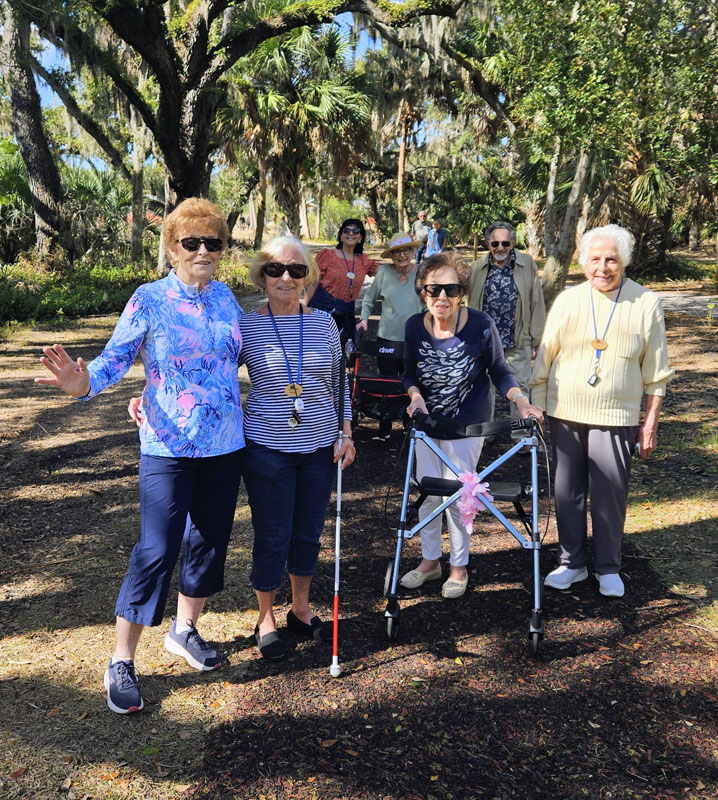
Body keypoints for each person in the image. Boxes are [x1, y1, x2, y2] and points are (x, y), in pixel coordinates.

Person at [35, 198, 245, 714]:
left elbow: (244, 361)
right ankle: (122, 658)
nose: (202, 250)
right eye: (190, 242)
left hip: (226, 446)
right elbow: (114, 359)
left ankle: (184, 630)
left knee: (209, 541)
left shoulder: (226, 300)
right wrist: (81, 384)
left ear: (221, 250)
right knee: (156, 549)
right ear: (173, 248)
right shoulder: (149, 299)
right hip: (167, 447)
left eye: (211, 243)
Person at [530, 224, 673, 598]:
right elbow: (545, 357)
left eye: (611, 259)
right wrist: (539, 407)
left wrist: (650, 424)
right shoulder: (568, 300)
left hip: (616, 417)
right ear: (583, 261)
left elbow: (656, 373)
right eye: (595, 258)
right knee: (566, 492)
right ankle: (571, 563)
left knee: (609, 493)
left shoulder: (645, 302)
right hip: (564, 412)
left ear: (623, 261)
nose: (603, 267)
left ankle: (609, 567)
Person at [401, 252, 544, 599]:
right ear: (422, 291)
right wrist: (415, 396)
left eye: (451, 289)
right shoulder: (413, 326)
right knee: (430, 494)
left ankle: (458, 566)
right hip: (428, 425)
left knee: (459, 493)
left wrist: (520, 400)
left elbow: (500, 370)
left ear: (462, 291)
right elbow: (408, 373)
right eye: (433, 289)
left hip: (469, 427)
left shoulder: (481, 325)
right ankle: (430, 561)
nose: (442, 298)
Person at [241, 236, 355, 660]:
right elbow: (209, 369)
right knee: (272, 533)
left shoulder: (325, 323)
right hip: (267, 448)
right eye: (275, 269)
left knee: (308, 531)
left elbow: (340, 384)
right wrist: (156, 391)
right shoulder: (246, 326)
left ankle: (301, 608)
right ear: (262, 275)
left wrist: (346, 432)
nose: (285, 277)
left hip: (319, 447)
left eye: (295, 270)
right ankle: (266, 616)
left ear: (307, 275)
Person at [467, 221, 546, 443]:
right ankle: (485, 434)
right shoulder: (477, 268)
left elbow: (536, 301)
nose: (500, 248)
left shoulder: (527, 264)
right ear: (488, 244)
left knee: (520, 387)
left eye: (505, 243)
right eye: (495, 243)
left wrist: (536, 337)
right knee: (484, 389)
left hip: (517, 338)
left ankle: (522, 437)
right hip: (485, 341)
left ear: (512, 243)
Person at [356, 232, 424, 441]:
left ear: (412, 252)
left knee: (411, 382)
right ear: (391, 256)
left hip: (414, 337)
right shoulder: (384, 272)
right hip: (387, 337)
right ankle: (384, 426)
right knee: (386, 381)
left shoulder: (421, 273)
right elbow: (369, 299)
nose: (402, 255)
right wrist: (364, 319)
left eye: (406, 250)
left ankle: (408, 423)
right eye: (397, 252)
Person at [302, 218, 378, 345]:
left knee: (345, 354)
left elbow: (387, 273)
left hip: (347, 314)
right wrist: (303, 307)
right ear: (341, 235)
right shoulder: (328, 255)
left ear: (361, 237)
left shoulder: (364, 261)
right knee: (319, 349)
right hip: (322, 311)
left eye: (356, 231)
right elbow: (313, 283)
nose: (351, 233)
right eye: (346, 230)